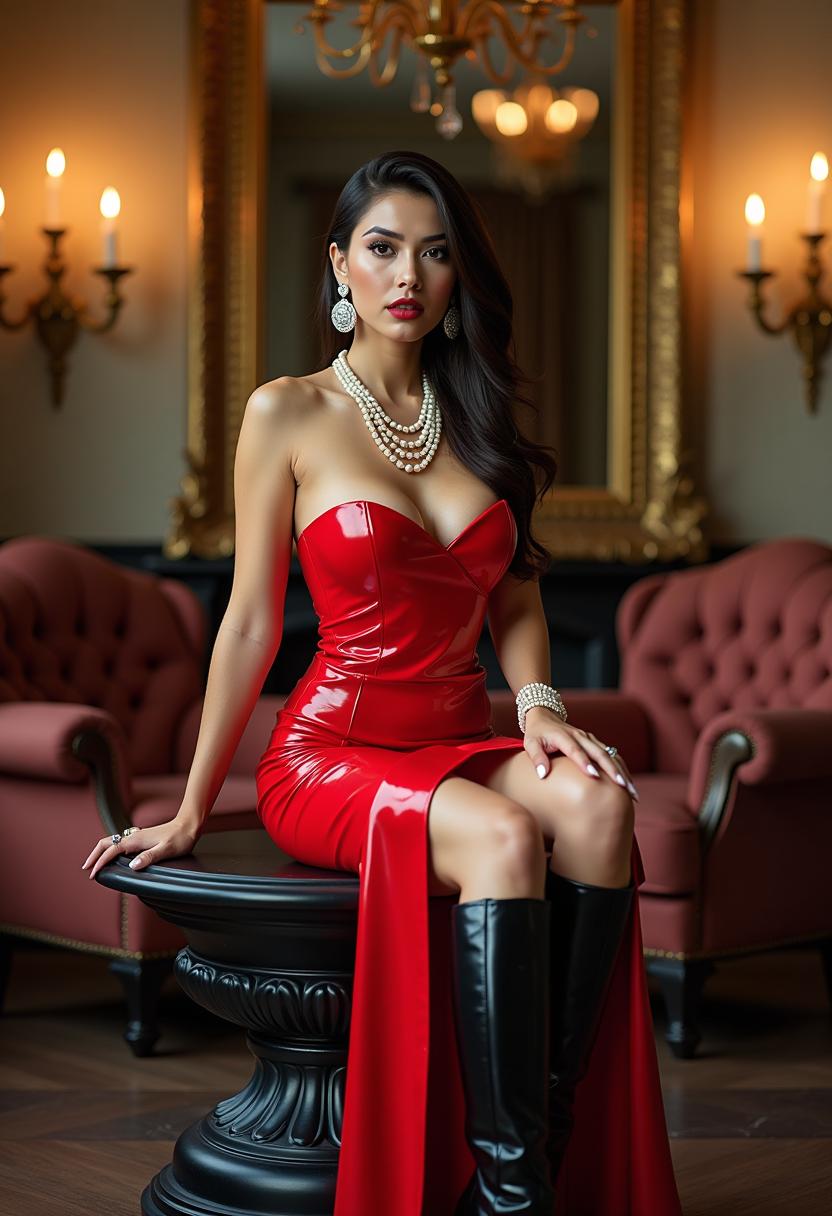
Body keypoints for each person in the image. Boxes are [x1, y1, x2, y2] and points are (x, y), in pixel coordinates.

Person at [83, 150, 683, 1216]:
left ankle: (539, 1147)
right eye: (383, 247)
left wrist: (540, 710)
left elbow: (517, 597)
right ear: (340, 267)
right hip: (330, 754)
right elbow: (252, 624)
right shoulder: (288, 413)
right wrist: (183, 809)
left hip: (460, 736)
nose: (409, 273)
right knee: (503, 838)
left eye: (436, 253)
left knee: (598, 806)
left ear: (456, 284)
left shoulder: (480, 423)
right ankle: (509, 1200)